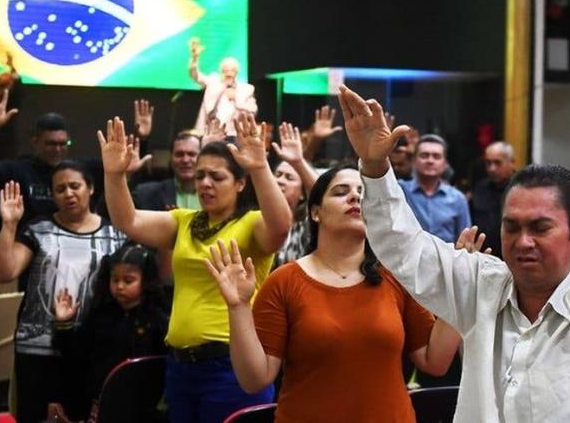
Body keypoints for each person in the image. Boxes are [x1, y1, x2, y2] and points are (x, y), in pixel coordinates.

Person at [338, 85, 570, 421]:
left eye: (540, 228)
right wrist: (373, 168)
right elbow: (401, 246)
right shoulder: (479, 285)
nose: (523, 241)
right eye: (511, 227)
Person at [205, 165, 461, 422]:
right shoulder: (284, 280)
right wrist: (238, 307)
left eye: (363, 192)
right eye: (341, 192)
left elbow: (435, 361)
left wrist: (458, 290)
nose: (355, 197)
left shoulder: (396, 277)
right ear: (316, 212)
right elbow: (255, 380)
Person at [99, 114, 291, 423]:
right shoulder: (184, 221)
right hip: (180, 366)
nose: (204, 183)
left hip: (231, 367)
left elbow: (281, 226)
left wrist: (259, 167)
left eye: (217, 177)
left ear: (240, 183)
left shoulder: (252, 222)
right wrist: (114, 175)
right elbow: (128, 220)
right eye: (200, 176)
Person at [0, 162, 128, 422]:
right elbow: (3, 273)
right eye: (60, 189)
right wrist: (9, 225)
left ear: (91, 188)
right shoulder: (38, 229)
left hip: (90, 347)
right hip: (38, 346)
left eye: (75, 186)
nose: (68, 193)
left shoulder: (114, 234)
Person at [0, 90, 152, 231]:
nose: (58, 149)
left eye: (63, 143)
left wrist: (140, 142)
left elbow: (121, 174)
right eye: (51, 144)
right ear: (35, 142)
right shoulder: (19, 172)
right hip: (31, 252)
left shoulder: (82, 171)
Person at [52, 243, 169, 421]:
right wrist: (63, 324)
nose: (120, 286)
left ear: (145, 281)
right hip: (103, 403)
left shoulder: (157, 319)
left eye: (128, 280)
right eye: (115, 280)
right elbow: (76, 355)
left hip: (144, 407)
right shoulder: (101, 315)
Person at [399, 134, 471, 244]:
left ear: (445, 164)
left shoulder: (457, 199)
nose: (430, 160)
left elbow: (465, 242)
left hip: (447, 260)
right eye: (424, 155)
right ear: (414, 161)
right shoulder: (400, 190)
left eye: (436, 156)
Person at [271, 122, 318, 267]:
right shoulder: (255, 217)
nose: (280, 181)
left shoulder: (309, 224)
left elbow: (324, 193)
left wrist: (298, 162)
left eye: (289, 178)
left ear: (303, 194)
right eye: (277, 175)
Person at [188, 38, 257, 136]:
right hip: (211, 130)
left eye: (232, 70)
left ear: (237, 72)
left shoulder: (246, 89)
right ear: (222, 71)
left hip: (234, 133)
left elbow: (253, 110)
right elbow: (196, 76)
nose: (229, 73)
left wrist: (236, 99)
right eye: (226, 70)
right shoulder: (213, 82)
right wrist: (194, 58)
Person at [133, 130, 202, 211]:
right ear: (171, 158)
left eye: (191, 154)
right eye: (179, 154)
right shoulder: (145, 193)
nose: (185, 160)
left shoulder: (216, 194)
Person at [470, 140, 516, 258]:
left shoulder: (522, 190)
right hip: (483, 258)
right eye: (488, 163)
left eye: (497, 163)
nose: (492, 168)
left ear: (512, 163)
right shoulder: (480, 189)